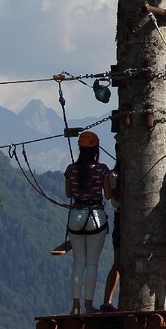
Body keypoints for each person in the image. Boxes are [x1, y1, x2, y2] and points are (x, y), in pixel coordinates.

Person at [63, 131, 110, 314]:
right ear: (96, 149)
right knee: (92, 262)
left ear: (80, 149)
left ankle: (75, 306)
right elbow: (108, 193)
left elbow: (68, 194)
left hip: (76, 215)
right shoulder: (102, 169)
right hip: (96, 215)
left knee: (78, 262)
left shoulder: (71, 170)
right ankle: (89, 305)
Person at [99, 161, 122, 312]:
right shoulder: (114, 176)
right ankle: (107, 301)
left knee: (118, 263)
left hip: (120, 217)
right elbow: (114, 196)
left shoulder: (113, 175)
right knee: (118, 263)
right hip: (122, 217)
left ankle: (107, 301)